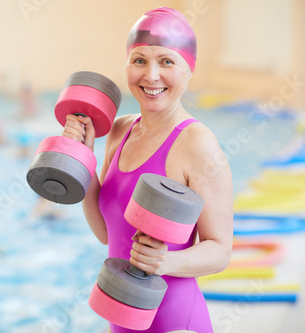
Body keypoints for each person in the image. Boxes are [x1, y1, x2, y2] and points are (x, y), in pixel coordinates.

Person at [62, 7, 233, 333]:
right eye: (139, 60)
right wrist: (84, 160)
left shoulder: (198, 144)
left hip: (175, 320)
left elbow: (221, 250)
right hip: (122, 317)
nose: (151, 75)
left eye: (167, 61)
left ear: (189, 69)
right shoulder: (119, 131)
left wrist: (167, 262)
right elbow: (105, 233)